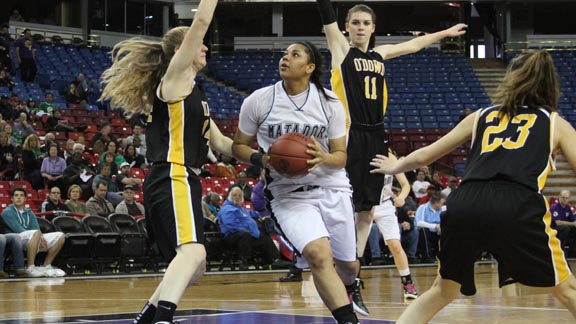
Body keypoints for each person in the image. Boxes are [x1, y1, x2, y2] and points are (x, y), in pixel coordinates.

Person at [369, 50, 576, 323]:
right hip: (516, 202)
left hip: (466, 200)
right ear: (552, 85)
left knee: (442, 290)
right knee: (566, 290)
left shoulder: (481, 115)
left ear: (511, 78)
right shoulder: (555, 124)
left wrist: (394, 167)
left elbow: (425, 155)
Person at [313, 3, 467, 314]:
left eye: (365, 23)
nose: (359, 27)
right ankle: (335, 266)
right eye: (354, 22)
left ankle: (351, 282)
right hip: (350, 134)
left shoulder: (378, 54)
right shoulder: (342, 52)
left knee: (367, 213)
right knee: (347, 207)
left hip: (376, 136)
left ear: (373, 27)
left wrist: (445, 33)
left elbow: (413, 44)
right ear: (347, 27)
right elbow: (327, 18)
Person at [99, 0, 233, 322]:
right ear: (181, 50)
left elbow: (222, 143)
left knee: (194, 266)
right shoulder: (173, 82)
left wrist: (264, 156)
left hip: (182, 179)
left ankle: (147, 317)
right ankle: (163, 318)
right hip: (174, 174)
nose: (205, 47)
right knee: (193, 253)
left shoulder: (195, 95)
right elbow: (201, 21)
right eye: (198, 43)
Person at [232, 41, 361, 324]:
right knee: (318, 255)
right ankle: (348, 320)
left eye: (294, 54)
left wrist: (324, 158)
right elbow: (238, 146)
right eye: (283, 54)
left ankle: (351, 284)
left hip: (332, 187)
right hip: (287, 193)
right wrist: (262, 159)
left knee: (348, 266)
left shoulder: (330, 103)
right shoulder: (259, 100)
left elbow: (341, 157)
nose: (285, 58)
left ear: (310, 67)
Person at [372, 152, 419, 299]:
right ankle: (351, 286)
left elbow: (405, 185)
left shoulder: (389, 156)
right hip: (364, 204)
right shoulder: (357, 150)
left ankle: (408, 284)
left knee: (395, 245)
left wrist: (401, 197)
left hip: (385, 204)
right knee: (354, 248)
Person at [2, 187, 66, 277]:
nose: (19, 197)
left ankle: (46, 265)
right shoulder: (7, 212)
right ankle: (30, 267)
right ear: (12, 199)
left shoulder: (29, 212)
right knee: (36, 233)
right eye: (16, 196)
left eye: (21, 196)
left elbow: (36, 227)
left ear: (25, 199)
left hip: (31, 236)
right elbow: (18, 229)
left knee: (60, 236)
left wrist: (40, 237)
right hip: (15, 237)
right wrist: (37, 236)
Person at [217, 187, 286, 270]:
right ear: (229, 197)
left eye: (239, 195)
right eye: (234, 195)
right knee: (244, 235)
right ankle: (243, 261)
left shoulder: (240, 209)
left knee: (264, 237)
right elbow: (230, 224)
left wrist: (259, 215)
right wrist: (244, 229)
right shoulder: (227, 209)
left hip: (247, 234)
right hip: (231, 236)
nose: (237, 197)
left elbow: (250, 213)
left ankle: (275, 260)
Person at [550, 190, 576, 257]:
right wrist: (573, 224)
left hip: (563, 228)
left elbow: (573, 219)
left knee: (573, 229)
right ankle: (561, 249)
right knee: (566, 228)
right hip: (554, 229)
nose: (565, 199)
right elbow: (558, 223)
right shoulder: (555, 207)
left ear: (569, 199)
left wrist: (574, 223)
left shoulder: (568, 208)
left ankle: (572, 251)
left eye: (566, 198)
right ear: (559, 198)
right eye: (563, 197)